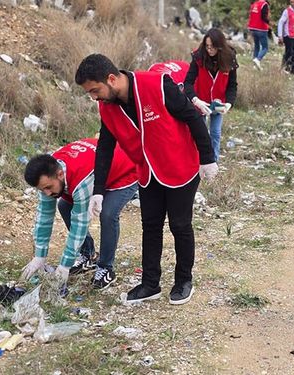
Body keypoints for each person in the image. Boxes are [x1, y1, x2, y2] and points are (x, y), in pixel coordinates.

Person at [75, 54, 218, 305]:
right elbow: (106, 147)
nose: (94, 97)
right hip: (147, 171)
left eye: (95, 90)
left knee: (180, 225)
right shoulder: (107, 106)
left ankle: (183, 280)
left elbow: (192, 117)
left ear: (111, 79)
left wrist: (208, 158)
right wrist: (99, 190)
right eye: (90, 93)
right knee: (150, 227)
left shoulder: (157, 85)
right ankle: (150, 284)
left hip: (180, 166)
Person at [21, 138, 138, 290]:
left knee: (107, 214)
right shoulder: (48, 174)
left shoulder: (81, 180)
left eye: (49, 188)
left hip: (125, 170)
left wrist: (65, 265)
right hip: (99, 170)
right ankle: (87, 255)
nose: (47, 193)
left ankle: (106, 267)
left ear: (60, 174)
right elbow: (44, 217)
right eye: (42, 189)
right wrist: (39, 257)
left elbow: (79, 224)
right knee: (64, 205)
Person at [184, 28, 238, 162]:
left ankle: (213, 163)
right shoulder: (198, 57)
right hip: (200, 102)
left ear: (220, 46)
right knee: (199, 133)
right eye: (207, 46)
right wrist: (196, 101)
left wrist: (228, 104)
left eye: (213, 47)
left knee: (215, 133)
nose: (209, 50)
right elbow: (188, 83)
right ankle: (197, 162)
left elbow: (232, 85)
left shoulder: (229, 58)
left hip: (218, 104)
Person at [277, 0, 294, 74]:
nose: (293, 4)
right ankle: (284, 67)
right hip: (289, 36)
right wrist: (280, 36)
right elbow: (281, 22)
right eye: (291, 2)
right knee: (289, 52)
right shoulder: (287, 11)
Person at [247, 0, 271, 70]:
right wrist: (269, 23)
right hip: (261, 28)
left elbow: (251, 15)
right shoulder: (264, 4)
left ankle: (255, 65)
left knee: (257, 46)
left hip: (253, 28)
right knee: (265, 47)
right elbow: (264, 17)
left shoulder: (255, 4)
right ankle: (258, 59)